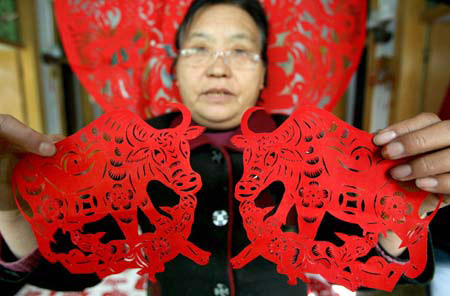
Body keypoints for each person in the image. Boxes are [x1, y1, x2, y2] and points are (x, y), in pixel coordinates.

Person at [0, 0, 449, 295]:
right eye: (199, 49)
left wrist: (402, 214)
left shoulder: (317, 150)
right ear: (174, 68)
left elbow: (365, 266)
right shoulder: (121, 151)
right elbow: (64, 270)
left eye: (240, 51)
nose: (218, 69)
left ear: (265, 72)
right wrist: (9, 210)